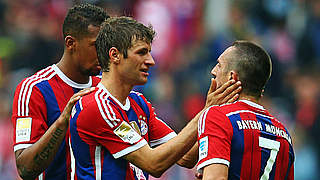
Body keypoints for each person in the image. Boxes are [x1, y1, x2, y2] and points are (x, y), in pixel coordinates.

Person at [69, 16, 242, 180]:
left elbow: (186, 157)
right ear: (115, 55)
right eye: (142, 52)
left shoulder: (139, 104)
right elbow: (154, 164)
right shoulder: (95, 107)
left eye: (149, 52)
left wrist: (213, 115)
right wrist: (205, 113)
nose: (151, 61)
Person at [11, 4, 110, 180]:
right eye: (95, 45)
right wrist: (63, 121)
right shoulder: (34, 89)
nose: (103, 53)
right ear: (71, 43)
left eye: (106, 45)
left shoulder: (105, 87)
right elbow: (25, 168)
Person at [196, 41, 295, 180]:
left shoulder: (218, 117)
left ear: (232, 78)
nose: (213, 71)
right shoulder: (284, 135)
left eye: (219, 65)